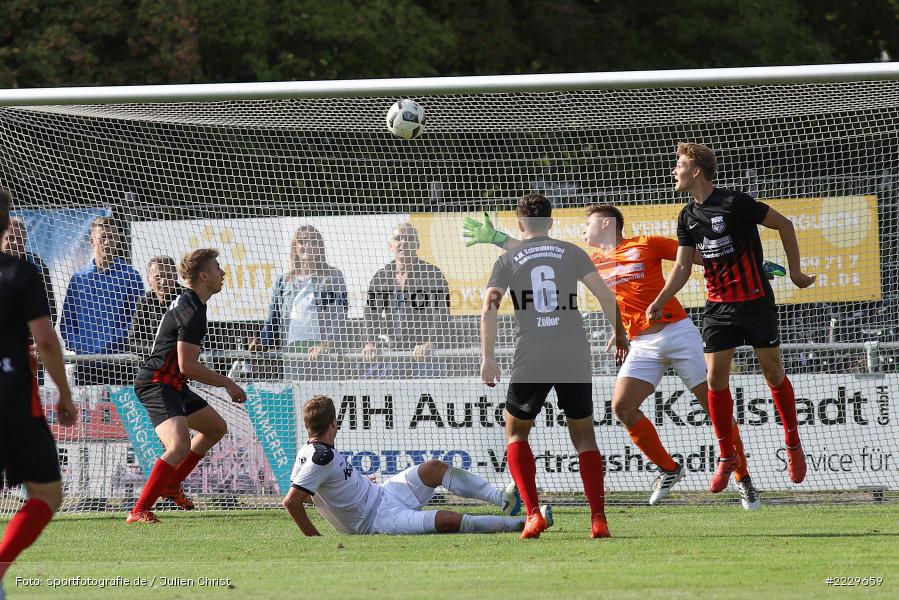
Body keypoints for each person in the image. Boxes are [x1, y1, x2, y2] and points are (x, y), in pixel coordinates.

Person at [464, 205, 761, 510]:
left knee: (714, 407)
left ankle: (743, 478)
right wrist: (499, 238)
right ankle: (669, 469)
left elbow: (701, 258)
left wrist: (751, 267)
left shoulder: (646, 243)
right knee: (622, 407)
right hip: (640, 344)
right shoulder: (591, 260)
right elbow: (535, 253)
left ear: (605, 223)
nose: (582, 229)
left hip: (677, 333)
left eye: (587, 223)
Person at [646, 142, 816, 494]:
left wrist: (796, 273)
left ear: (695, 171)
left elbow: (784, 225)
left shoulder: (734, 202)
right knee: (714, 381)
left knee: (773, 372)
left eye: (679, 164)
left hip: (755, 302)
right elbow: (680, 267)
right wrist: (660, 299)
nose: (673, 170)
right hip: (718, 308)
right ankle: (727, 455)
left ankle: (793, 443)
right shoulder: (686, 216)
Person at [480, 194, 628, 540]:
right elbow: (607, 296)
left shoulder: (509, 258)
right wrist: (619, 334)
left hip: (533, 349)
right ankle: (598, 519)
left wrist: (488, 357)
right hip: (573, 348)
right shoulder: (572, 252)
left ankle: (532, 514)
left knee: (516, 432)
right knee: (584, 436)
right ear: (551, 223)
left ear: (519, 225)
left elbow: (489, 304)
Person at [283, 395, 541, 536]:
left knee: (434, 468)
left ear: (309, 426)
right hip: (376, 520)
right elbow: (292, 501)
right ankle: (519, 523)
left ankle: (501, 499)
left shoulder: (308, 451)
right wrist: (313, 537)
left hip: (382, 493)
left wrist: (355, 486)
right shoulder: (320, 456)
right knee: (447, 520)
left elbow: (309, 494)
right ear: (334, 424)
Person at [127, 249, 247, 524]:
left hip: (172, 383)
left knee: (215, 428)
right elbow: (188, 366)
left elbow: (183, 369)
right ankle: (139, 510)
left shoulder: (192, 302)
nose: (222, 273)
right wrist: (228, 383)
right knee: (179, 444)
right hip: (156, 382)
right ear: (204, 276)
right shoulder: (191, 310)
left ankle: (171, 485)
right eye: (217, 268)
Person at [0, 189, 76, 595]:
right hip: (11, 396)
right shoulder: (21, 273)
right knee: (46, 493)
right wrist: (64, 393)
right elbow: (45, 341)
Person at [249, 226, 348, 380]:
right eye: (302, 241)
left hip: (321, 351)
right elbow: (273, 318)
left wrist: (328, 343)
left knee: (323, 399)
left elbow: (340, 314)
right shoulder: (284, 281)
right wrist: (262, 341)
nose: (307, 245)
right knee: (298, 398)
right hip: (293, 351)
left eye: (312, 242)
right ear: (295, 247)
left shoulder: (333, 276)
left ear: (320, 247)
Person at [60, 216, 145, 385]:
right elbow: (67, 322)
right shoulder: (78, 279)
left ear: (119, 241)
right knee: (88, 412)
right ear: (93, 241)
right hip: (85, 362)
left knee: (120, 412)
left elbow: (137, 321)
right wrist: (81, 346)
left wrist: (110, 343)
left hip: (120, 361)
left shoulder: (131, 276)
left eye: (112, 237)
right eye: (103, 237)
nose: (107, 242)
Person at [363, 223, 450, 378]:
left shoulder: (432, 274)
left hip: (423, 352)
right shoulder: (382, 276)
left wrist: (431, 343)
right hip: (392, 351)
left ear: (416, 244)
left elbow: (441, 312)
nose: (404, 242)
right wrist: (370, 343)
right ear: (390, 246)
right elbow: (371, 313)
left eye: (409, 238)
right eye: (398, 238)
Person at [2, 217, 56, 325]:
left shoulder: (37, 266)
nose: (15, 243)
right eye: (10, 238)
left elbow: (50, 310)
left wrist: (36, 339)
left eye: (19, 239)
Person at [128, 256, 184, 358]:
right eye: (158, 277)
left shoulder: (187, 299)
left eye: (168, 276)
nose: (163, 282)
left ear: (176, 277)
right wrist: (158, 350)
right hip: (153, 363)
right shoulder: (144, 302)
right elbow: (133, 341)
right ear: (148, 280)